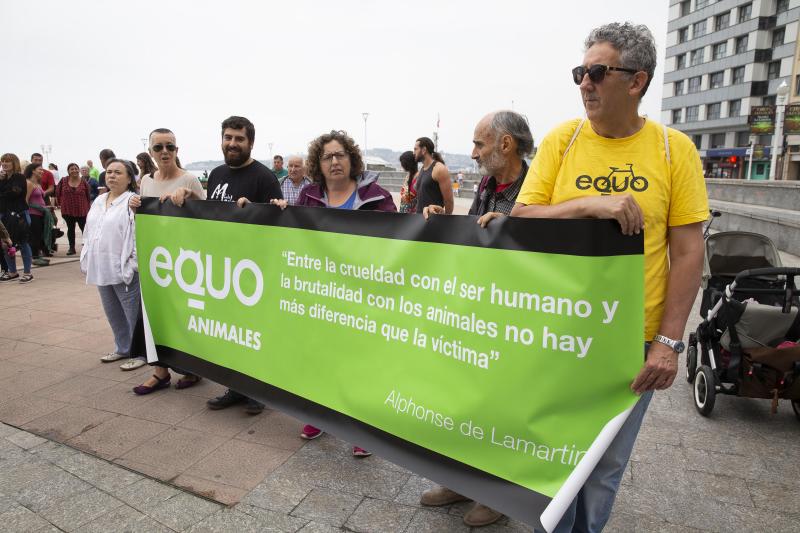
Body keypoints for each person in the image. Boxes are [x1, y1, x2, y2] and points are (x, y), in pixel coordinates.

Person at [508, 23, 707, 532]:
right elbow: (522, 218)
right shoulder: (563, 139)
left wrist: (668, 343)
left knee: (604, 464)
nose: (585, 83)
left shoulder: (673, 150)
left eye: (597, 72)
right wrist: (592, 205)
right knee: (551, 453)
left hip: (632, 338)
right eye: (581, 73)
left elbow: (687, 252)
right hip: (556, 327)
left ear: (636, 81)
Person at [419, 110, 533, 528]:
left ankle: (497, 493)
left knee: (502, 405)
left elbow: (550, 246)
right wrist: (443, 219)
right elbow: (474, 232)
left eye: (479, 144)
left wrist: (517, 228)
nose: (473, 153)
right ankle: (460, 480)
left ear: (506, 144)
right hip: (477, 308)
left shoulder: (536, 187)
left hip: (514, 314)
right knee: (466, 400)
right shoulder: (488, 183)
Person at [286, 129, 396, 456]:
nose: (335, 161)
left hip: (362, 294)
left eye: (340, 155)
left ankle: (362, 426)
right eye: (327, 157)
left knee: (360, 359)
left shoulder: (375, 196)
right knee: (320, 355)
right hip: (321, 293)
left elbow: (396, 237)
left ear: (351, 159)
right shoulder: (308, 197)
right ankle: (319, 415)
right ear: (318, 164)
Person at [166, 116, 281, 413]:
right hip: (222, 270)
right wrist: (191, 197)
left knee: (254, 335)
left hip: (253, 272)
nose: (232, 143)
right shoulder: (216, 174)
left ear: (250, 143)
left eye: (239, 139)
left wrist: (257, 212)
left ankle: (258, 391)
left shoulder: (264, 177)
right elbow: (210, 214)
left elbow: (280, 225)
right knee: (230, 334)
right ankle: (236, 388)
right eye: (228, 137)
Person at [130, 127, 207, 383]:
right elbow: (147, 223)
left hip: (183, 262)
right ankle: (160, 371)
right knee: (155, 315)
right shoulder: (146, 182)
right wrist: (135, 209)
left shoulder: (189, 180)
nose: (165, 152)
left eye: (170, 146)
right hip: (156, 261)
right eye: (159, 147)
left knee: (182, 318)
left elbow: (207, 220)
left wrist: (191, 196)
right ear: (150, 152)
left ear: (177, 150)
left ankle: (191, 370)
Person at [80, 159, 140, 371]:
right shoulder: (99, 200)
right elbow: (89, 229)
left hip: (122, 268)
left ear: (129, 178)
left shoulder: (132, 201)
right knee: (112, 311)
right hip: (100, 266)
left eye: (118, 172)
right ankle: (122, 347)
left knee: (132, 312)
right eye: (109, 172)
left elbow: (137, 236)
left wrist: (132, 264)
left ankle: (139, 352)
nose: (112, 176)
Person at [0, 153, 34, 283]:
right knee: (6, 244)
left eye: (7, 161)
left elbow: (16, 192)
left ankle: (27, 272)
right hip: (4, 215)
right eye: (2, 161)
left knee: (23, 243)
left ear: (14, 163)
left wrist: (2, 191)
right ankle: (12, 271)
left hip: (19, 214)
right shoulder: (2, 178)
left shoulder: (19, 177)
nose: (4, 164)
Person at [56, 163, 91, 256]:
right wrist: (61, 205)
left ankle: (88, 247)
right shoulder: (63, 181)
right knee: (70, 229)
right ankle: (72, 248)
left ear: (78, 170)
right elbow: (58, 194)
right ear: (68, 171)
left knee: (84, 229)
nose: (74, 170)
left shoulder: (83, 182)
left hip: (82, 210)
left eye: (76, 168)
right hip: (68, 210)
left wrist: (88, 207)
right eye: (72, 169)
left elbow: (88, 195)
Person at [413, 136, 453, 214]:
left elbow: (449, 201)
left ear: (424, 150)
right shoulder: (422, 168)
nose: (413, 152)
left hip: (433, 221)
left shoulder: (439, 169)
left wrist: (447, 221)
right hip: (419, 220)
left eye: (415, 149)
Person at [23, 163, 49, 266]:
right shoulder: (28, 183)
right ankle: (34, 257)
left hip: (40, 214)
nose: (42, 172)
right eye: (40, 170)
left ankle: (37, 255)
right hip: (32, 214)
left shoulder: (38, 184)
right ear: (33, 170)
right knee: (34, 236)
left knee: (38, 236)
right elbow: (25, 200)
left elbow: (39, 199)